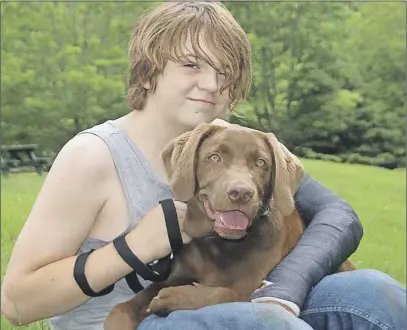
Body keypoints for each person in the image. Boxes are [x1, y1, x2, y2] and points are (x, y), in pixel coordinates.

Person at [1, 2, 405, 330]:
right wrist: (134, 247)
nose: (212, 85)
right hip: (134, 323)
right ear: (147, 74)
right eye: (192, 65)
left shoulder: (233, 145)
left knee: (373, 291)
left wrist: (280, 289)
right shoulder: (95, 155)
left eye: (226, 72)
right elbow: (16, 304)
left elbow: (338, 216)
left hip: (231, 305)